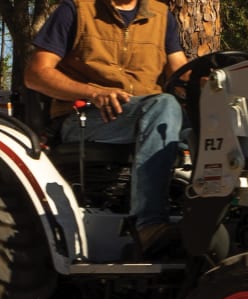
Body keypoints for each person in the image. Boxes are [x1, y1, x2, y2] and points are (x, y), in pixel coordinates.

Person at [24, 0, 189, 257]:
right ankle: (148, 223)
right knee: (165, 106)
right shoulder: (76, 10)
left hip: (148, 113)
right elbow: (36, 73)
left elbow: (181, 73)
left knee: (209, 124)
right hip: (86, 117)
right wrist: (94, 92)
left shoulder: (161, 15)